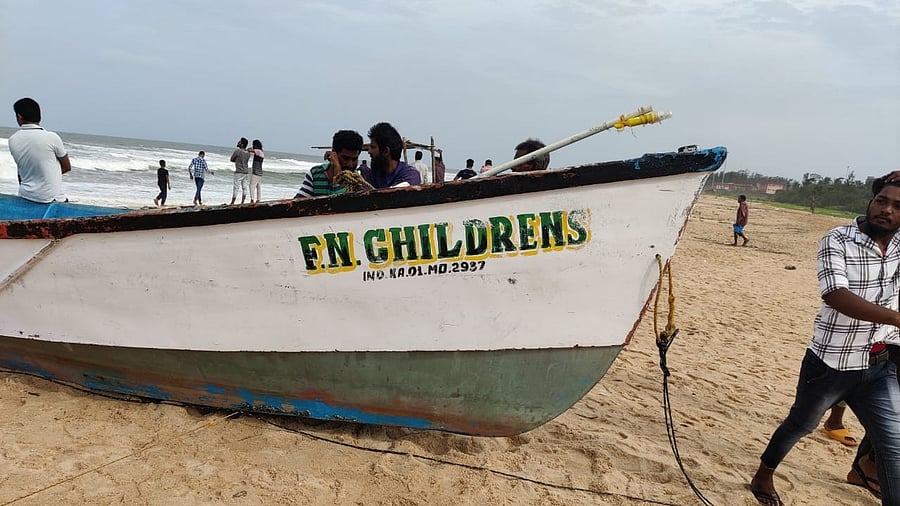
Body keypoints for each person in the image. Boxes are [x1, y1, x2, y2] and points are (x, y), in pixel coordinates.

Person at [749, 175, 900, 506]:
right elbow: (835, 294)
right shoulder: (838, 239)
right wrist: (895, 318)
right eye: (881, 201)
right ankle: (763, 474)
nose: (886, 210)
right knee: (800, 424)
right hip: (830, 363)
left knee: (893, 446)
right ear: (871, 201)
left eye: (897, 206)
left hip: (878, 366)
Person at [8, 97, 71, 203]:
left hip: (25, 195)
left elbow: (21, 172)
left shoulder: (12, 139)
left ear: (19, 117)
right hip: (51, 198)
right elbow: (66, 167)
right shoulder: (52, 137)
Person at [295, 130, 364, 198]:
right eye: (345, 158)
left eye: (354, 159)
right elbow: (297, 202)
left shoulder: (356, 180)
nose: (350, 164)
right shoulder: (315, 173)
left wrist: (337, 170)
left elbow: (342, 203)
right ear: (334, 153)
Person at [361, 122, 421, 189]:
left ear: (386, 151)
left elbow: (392, 195)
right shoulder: (373, 175)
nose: (369, 151)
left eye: (373, 147)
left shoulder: (410, 175)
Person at [230, 138, 251, 205]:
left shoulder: (237, 151)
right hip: (246, 171)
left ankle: (232, 202)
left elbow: (232, 159)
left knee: (236, 187)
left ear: (242, 144)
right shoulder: (248, 153)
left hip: (239, 171)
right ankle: (242, 202)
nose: (238, 142)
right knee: (244, 187)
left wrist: (237, 161)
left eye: (239, 142)